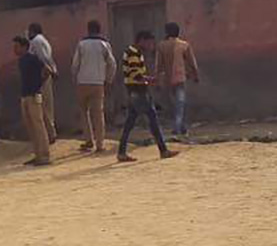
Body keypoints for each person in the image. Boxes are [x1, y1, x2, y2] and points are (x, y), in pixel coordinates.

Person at [117, 31, 179, 164]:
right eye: (149, 43)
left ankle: (121, 152)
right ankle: (163, 150)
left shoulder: (133, 52)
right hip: (138, 91)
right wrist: (152, 80)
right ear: (142, 40)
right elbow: (136, 75)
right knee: (152, 120)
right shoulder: (133, 53)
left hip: (134, 90)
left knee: (130, 123)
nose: (150, 46)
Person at [70, 20, 116, 155]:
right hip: (98, 83)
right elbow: (112, 64)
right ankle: (100, 144)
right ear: (99, 29)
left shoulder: (82, 44)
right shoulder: (104, 44)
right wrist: (108, 80)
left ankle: (88, 140)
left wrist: (75, 78)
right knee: (98, 114)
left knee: (84, 112)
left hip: (82, 82)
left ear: (88, 29)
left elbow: (75, 64)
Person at [154, 22, 199, 139]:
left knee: (175, 104)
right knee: (180, 103)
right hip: (180, 78)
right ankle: (178, 127)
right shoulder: (184, 45)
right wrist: (195, 75)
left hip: (167, 79)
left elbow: (158, 65)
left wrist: (157, 80)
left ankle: (181, 127)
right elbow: (192, 63)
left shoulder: (161, 46)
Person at [13, 36, 50, 167]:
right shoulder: (21, 61)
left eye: (17, 46)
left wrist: (38, 85)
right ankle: (37, 154)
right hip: (25, 96)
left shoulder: (33, 58)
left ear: (24, 47)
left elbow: (47, 70)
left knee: (38, 126)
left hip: (34, 95)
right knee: (31, 127)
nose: (14, 49)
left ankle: (44, 155)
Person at [27, 22, 58, 144]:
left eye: (29, 31)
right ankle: (50, 133)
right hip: (45, 75)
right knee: (47, 105)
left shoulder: (36, 41)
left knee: (43, 106)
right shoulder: (43, 40)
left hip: (42, 76)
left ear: (33, 31)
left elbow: (43, 58)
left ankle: (49, 134)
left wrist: (50, 71)